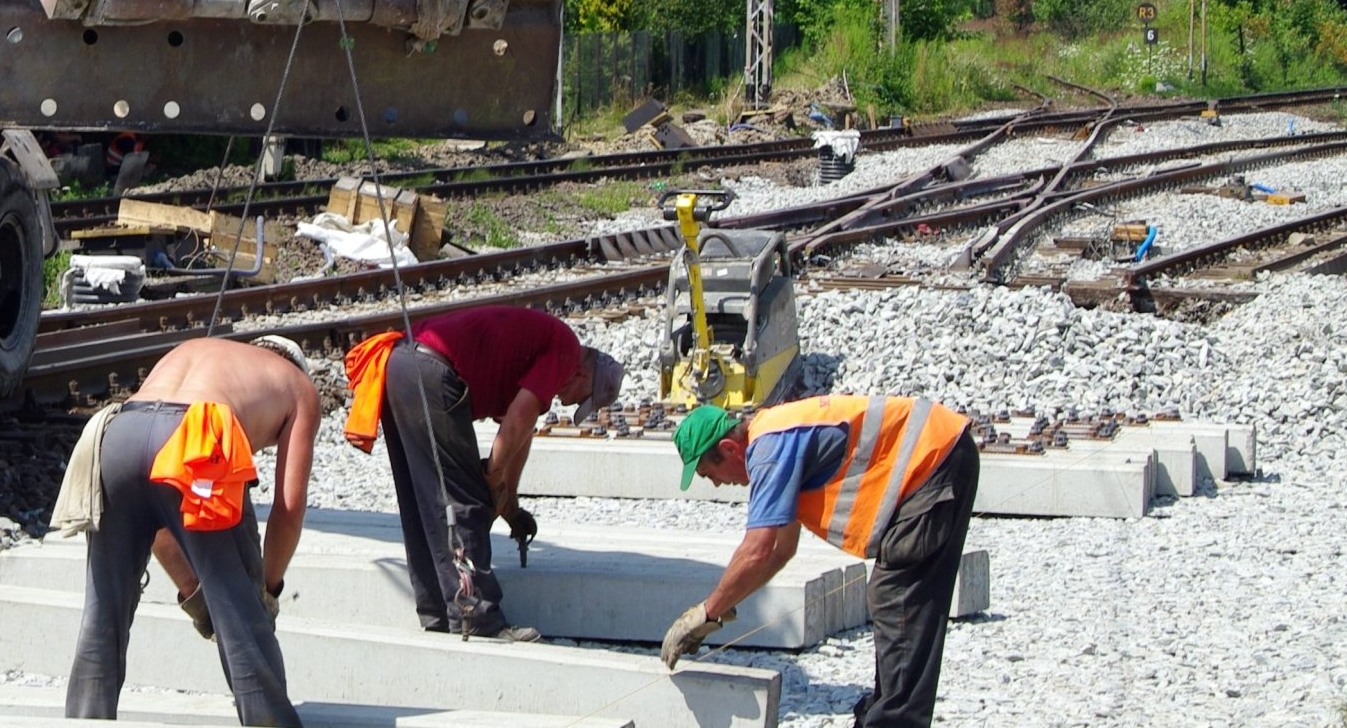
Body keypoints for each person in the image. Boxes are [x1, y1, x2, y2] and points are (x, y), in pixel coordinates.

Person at [663, 396, 982, 728]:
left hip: (935, 460)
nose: (716, 483)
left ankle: (894, 721)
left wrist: (705, 613)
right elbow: (779, 552)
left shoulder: (770, 449)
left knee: (897, 595)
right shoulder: (775, 439)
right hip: (938, 458)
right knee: (895, 596)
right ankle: (885, 714)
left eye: (708, 473)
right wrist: (717, 613)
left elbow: (756, 549)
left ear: (729, 449)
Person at [64, 335, 319, 728]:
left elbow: (161, 517)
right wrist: (264, 589)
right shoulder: (298, 387)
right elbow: (288, 509)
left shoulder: (210, 354)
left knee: (103, 616)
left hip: (118, 433)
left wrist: (194, 590)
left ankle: (85, 720)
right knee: (244, 620)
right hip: (196, 433)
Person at [340, 306, 619, 642]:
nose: (568, 402)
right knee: (466, 499)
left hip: (400, 366)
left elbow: (521, 431)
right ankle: (478, 617)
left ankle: (439, 612)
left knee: (425, 501)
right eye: (580, 400)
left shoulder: (542, 348)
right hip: (430, 370)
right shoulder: (566, 351)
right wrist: (490, 475)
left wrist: (509, 503)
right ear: (584, 377)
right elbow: (518, 419)